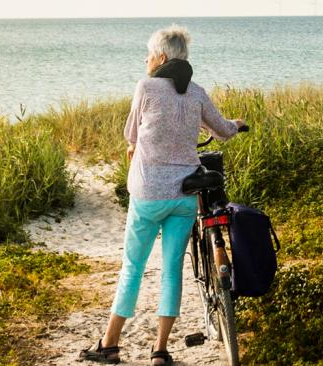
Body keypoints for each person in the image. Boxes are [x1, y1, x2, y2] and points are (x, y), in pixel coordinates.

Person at [82, 26, 246, 365]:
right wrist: (237, 122)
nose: (145, 59)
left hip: (147, 195)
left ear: (161, 57)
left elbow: (131, 132)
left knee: (133, 267)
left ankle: (110, 344)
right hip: (183, 195)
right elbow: (224, 130)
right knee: (172, 269)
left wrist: (138, 145)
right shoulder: (197, 92)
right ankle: (160, 351)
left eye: (148, 54)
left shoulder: (146, 87)